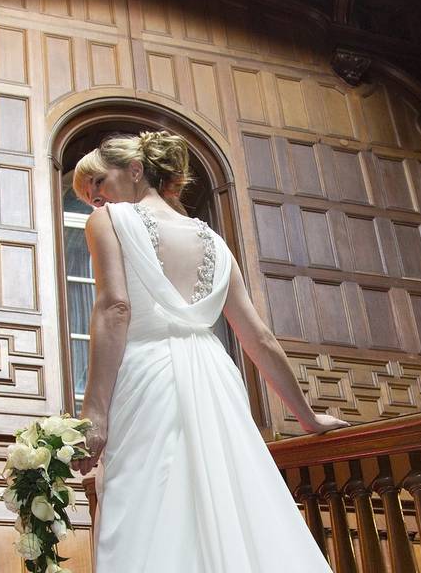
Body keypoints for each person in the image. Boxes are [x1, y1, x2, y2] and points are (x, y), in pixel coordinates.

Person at [69, 129, 350, 572]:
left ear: (136, 170)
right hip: (214, 374)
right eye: (88, 196)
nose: (95, 200)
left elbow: (114, 307)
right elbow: (257, 336)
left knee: (147, 506)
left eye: (99, 184)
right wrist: (306, 416)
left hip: (148, 375)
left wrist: (95, 413)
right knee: (230, 502)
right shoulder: (213, 242)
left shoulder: (109, 222)